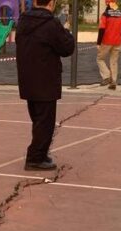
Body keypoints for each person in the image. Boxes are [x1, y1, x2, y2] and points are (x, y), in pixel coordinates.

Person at [16, 0, 74, 171]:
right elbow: (67, 47)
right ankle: (34, 157)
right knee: (45, 122)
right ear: (52, 3)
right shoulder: (51, 24)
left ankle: (40, 153)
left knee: (38, 120)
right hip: (46, 80)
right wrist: (67, 31)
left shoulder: (23, 21)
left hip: (27, 78)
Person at [97, 2, 121, 90]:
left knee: (100, 59)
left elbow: (101, 29)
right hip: (118, 41)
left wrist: (99, 43)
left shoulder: (105, 14)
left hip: (106, 41)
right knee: (114, 62)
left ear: (107, 4)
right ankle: (114, 81)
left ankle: (106, 76)